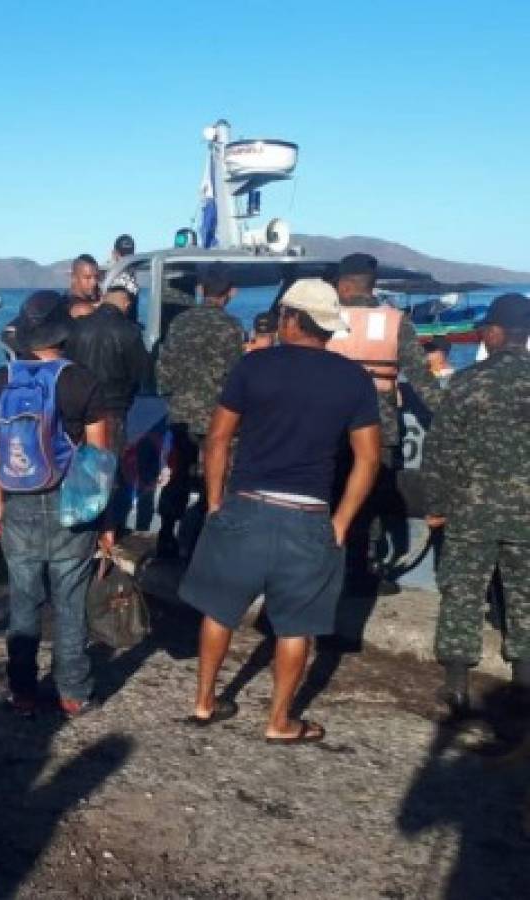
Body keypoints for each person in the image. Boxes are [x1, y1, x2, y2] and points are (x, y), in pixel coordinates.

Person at [179, 279, 380, 743]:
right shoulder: (353, 379)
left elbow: (218, 438)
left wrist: (214, 501)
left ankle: (206, 702)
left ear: (290, 319)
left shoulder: (253, 367)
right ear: (327, 328)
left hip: (245, 506)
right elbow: (368, 458)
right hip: (309, 515)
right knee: (296, 626)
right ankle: (279, 721)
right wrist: (342, 522)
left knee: (219, 610)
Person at [0, 290, 110, 718]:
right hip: (70, 503)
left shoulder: (2, 380)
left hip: (17, 500)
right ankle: (73, 692)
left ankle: (22, 690)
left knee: (24, 600)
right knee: (70, 601)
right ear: (63, 331)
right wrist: (104, 519)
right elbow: (98, 460)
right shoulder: (82, 381)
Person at [422, 293, 530, 713]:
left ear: (497, 332)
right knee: (525, 595)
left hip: (471, 512)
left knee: (463, 594)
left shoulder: (468, 383)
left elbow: (440, 452)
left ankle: (456, 685)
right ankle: (522, 685)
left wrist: (437, 504)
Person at [328, 252, 442, 595]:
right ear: (372, 285)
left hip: (327, 426)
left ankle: (324, 568)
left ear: (344, 284)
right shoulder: (396, 322)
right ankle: (364, 571)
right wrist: (455, 417)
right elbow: (423, 381)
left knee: (327, 495)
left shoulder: (324, 318)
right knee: (372, 500)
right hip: (380, 428)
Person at [156, 262, 243, 558]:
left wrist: (176, 397)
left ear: (199, 289)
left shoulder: (180, 324)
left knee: (178, 475)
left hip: (181, 415)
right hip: (219, 420)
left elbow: (163, 373)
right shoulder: (232, 328)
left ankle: (167, 535)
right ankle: (207, 540)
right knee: (216, 480)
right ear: (232, 292)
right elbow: (237, 378)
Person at [66, 283, 151, 531]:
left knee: (79, 471)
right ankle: (107, 531)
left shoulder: (78, 328)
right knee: (108, 472)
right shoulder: (129, 332)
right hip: (113, 410)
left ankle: (81, 526)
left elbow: (67, 366)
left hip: (79, 411)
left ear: (103, 299)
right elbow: (143, 373)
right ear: (126, 304)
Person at [106, 234, 140, 300]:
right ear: (114, 254)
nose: (126, 259)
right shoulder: (110, 278)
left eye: (129, 255)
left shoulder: (140, 272)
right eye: (123, 255)